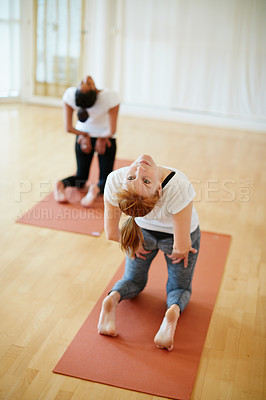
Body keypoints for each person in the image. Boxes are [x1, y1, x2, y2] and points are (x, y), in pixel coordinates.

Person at [97, 154, 201, 351]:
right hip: (172, 238)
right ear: (159, 189)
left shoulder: (114, 180)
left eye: (139, 179)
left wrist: (131, 243)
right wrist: (183, 252)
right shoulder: (178, 185)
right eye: (139, 180)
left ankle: (113, 298)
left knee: (133, 280)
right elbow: (181, 246)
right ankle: (172, 311)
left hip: (141, 234)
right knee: (179, 287)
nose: (139, 169)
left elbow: (111, 233)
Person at [54, 76, 120, 207]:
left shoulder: (71, 94)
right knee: (105, 180)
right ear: (94, 90)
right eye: (85, 83)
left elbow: (69, 128)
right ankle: (94, 190)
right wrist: (102, 137)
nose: (86, 78)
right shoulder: (110, 96)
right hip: (106, 139)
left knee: (81, 178)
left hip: (84, 139)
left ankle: (61, 184)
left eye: (86, 83)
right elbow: (111, 130)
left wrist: (83, 135)